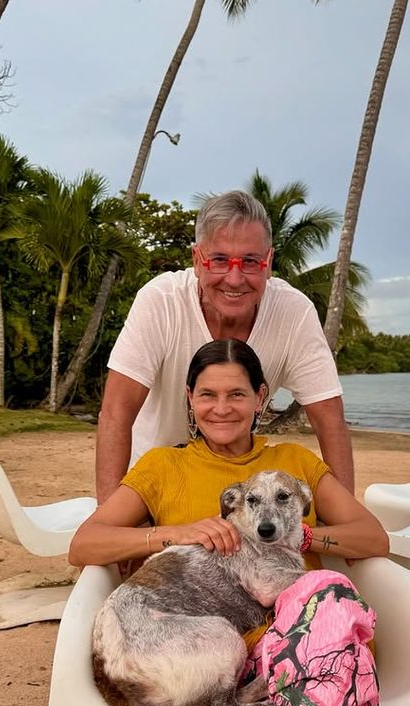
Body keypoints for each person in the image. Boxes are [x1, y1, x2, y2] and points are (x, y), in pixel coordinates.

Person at [71, 339, 389, 706]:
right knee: (343, 635)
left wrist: (304, 537)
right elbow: (83, 545)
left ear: (261, 398)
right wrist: (176, 532)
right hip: (201, 650)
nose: (223, 407)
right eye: (208, 394)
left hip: (300, 638)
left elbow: (374, 539)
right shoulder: (162, 466)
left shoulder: (294, 464)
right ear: (189, 401)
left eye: (237, 393)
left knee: (333, 613)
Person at [96, 189, 354, 502]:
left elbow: (330, 420)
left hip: (233, 490)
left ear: (268, 262)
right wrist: (110, 523)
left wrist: (345, 519)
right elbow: (115, 414)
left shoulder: (293, 313)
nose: (234, 279)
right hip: (152, 484)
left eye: (250, 262)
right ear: (196, 259)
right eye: (219, 260)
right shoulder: (161, 302)